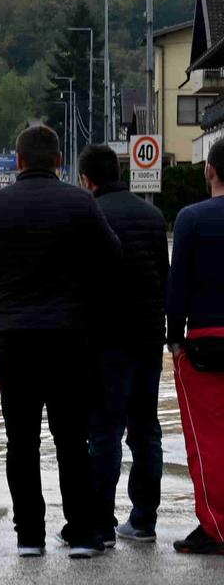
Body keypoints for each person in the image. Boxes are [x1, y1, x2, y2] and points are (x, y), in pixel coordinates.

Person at [0, 124, 120, 559]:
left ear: (18, 161)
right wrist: (82, 304)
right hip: (69, 338)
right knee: (71, 437)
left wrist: (1, 304)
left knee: (22, 440)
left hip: (13, 339)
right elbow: (113, 258)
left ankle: (29, 535)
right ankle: (84, 534)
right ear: (58, 162)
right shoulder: (81, 203)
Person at [78, 144, 167, 547]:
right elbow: (163, 280)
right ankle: (144, 521)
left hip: (105, 342)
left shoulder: (90, 216)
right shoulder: (152, 216)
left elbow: (80, 285)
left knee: (105, 433)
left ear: (87, 180)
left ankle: (102, 524)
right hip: (148, 340)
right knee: (146, 431)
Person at [168, 138, 224, 554]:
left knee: (207, 440)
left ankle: (215, 528)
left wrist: (173, 338)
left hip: (205, 341)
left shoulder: (191, 218)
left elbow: (178, 285)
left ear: (209, 170)